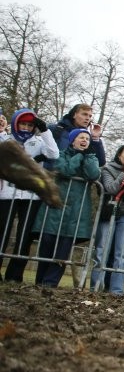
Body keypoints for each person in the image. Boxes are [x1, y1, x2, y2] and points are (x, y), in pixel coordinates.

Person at [31, 129, 100, 287]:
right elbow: (65, 169)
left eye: (87, 139)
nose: (84, 140)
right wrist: (78, 156)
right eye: (81, 137)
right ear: (73, 140)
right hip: (56, 204)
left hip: (77, 209)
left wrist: (87, 156)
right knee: (47, 241)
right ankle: (40, 280)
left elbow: (93, 174)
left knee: (64, 247)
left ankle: (50, 283)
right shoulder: (62, 154)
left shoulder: (91, 157)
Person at [0, 109, 59, 282]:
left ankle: (15, 274)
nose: (26, 128)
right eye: (23, 124)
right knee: (2, 232)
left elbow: (54, 154)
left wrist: (46, 131)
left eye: (29, 125)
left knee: (24, 236)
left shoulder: (38, 141)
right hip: (6, 194)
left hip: (31, 195)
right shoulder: (5, 139)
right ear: (15, 124)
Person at [91, 144, 124, 295]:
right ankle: (96, 287)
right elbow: (110, 189)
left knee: (122, 253)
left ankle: (117, 290)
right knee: (101, 250)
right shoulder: (107, 169)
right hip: (108, 212)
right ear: (120, 155)